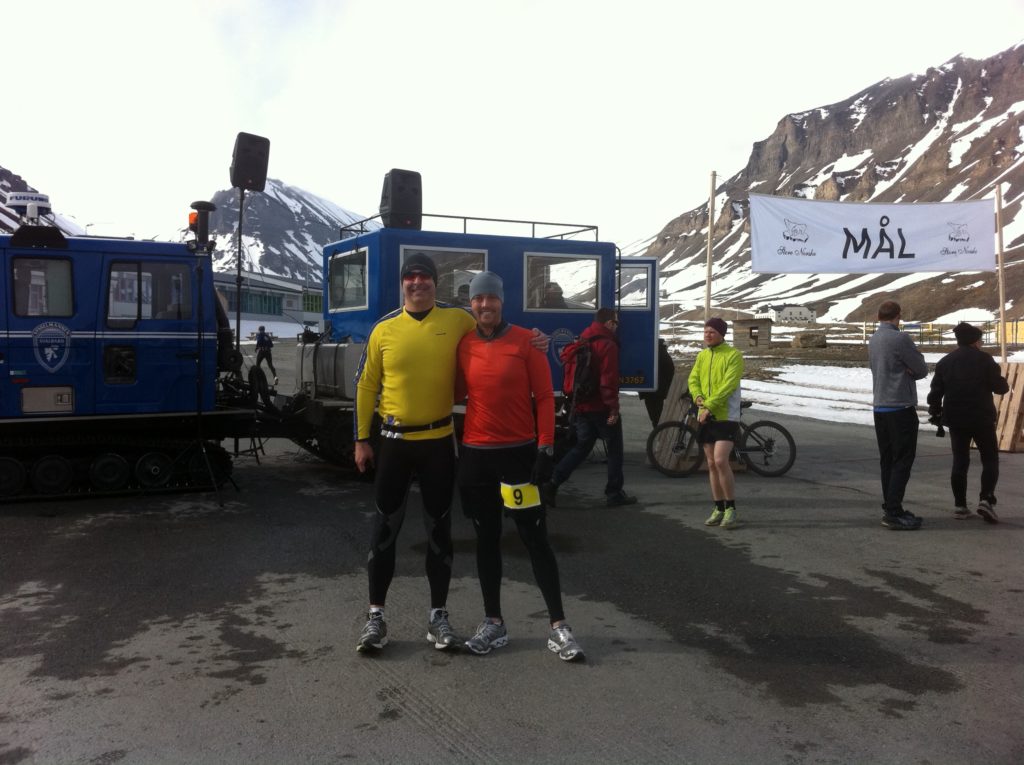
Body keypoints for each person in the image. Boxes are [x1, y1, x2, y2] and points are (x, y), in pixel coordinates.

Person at [352, 254, 549, 653]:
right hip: (393, 441)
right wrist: (361, 439)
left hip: (438, 441)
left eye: (425, 277)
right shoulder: (384, 328)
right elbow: (366, 385)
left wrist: (535, 339)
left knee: (439, 530)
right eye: (411, 277)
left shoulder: (458, 320)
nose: (418, 282)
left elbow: (494, 327)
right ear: (402, 283)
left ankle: (438, 616)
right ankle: (375, 618)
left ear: (435, 282)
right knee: (385, 529)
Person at [456, 271, 584, 661]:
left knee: (534, 538)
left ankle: (559, 626)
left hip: (518, 455)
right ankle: (493, 622)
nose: (484, 305)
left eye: (490, 298)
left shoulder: (528, 340)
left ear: (501, 301)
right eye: (478, 299)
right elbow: (454, 390)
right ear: (471, 304)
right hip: (476, 456)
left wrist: (545, 447)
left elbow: (544, 397)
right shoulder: (463, 344)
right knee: (486, 540)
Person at [543, 307, 637, 507]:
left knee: (581, 447)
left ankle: (552, 484)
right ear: (609, 323)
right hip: (600, 407)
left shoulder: (582, 340)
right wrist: (613, 408)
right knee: (614, 450)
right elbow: (608, 380)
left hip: (581, 405)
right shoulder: (607, 345)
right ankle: (614, 493)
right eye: (616, 323)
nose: (617, 327)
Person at [926, 322, 1008, 523]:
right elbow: (1000, 388)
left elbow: (935, 392)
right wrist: (1001, 381)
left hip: (956, 419)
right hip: (982, 418)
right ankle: (986, 499)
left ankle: (960, 506)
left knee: (960, 461)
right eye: (980, 340)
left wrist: (935, 411)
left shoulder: (946, 361)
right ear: (974, 341)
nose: (981, 343)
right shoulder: (985, 359)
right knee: (990, 459)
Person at [868, 301, 929, 530]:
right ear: (898, 316)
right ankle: (893, 511)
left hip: (880, 405)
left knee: (888, 460)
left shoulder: (874, 339)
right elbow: (921, 368)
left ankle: (891, 506)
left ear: (879, 316)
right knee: (902, 460)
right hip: (900, 406)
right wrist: (910, 370)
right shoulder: (900, 339)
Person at [687, 318, 744, 529]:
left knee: (720, 460)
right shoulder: (702, 355)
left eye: (712, 331)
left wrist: (709, 406)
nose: (707, 335)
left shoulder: (733, 355)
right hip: (706, 414)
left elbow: (728, 385)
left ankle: (731, 508)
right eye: (705, 331)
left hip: (726, 416)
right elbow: (693, 379)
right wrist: (697, 396)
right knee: (710, 463)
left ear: (721, 334)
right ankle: (718, 508)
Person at [639, 338, 676, 427]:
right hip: (657, 391)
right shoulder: (662, 352)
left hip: (650, 390)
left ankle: (657, 431)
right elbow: (670, 370)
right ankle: (658, 431)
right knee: (657, 416)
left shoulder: (650, 352)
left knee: (655, 416)